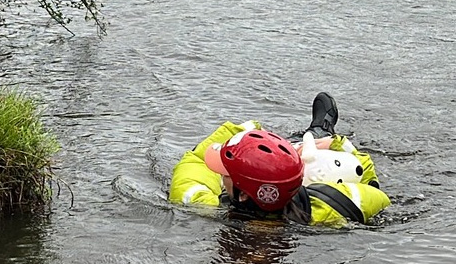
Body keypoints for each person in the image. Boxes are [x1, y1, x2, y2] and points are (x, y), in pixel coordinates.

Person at [168, 93, 391, 225]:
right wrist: (336, 144)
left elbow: (193, 164)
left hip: (294, 172)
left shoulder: (205, 205)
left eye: (225, 173)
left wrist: (245, 129)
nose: (221, 174)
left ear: (244, 195)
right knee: (320, 151)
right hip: (299, 173)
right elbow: (370, 183)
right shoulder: (327, 206)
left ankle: (314, 134)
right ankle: (321, 130)